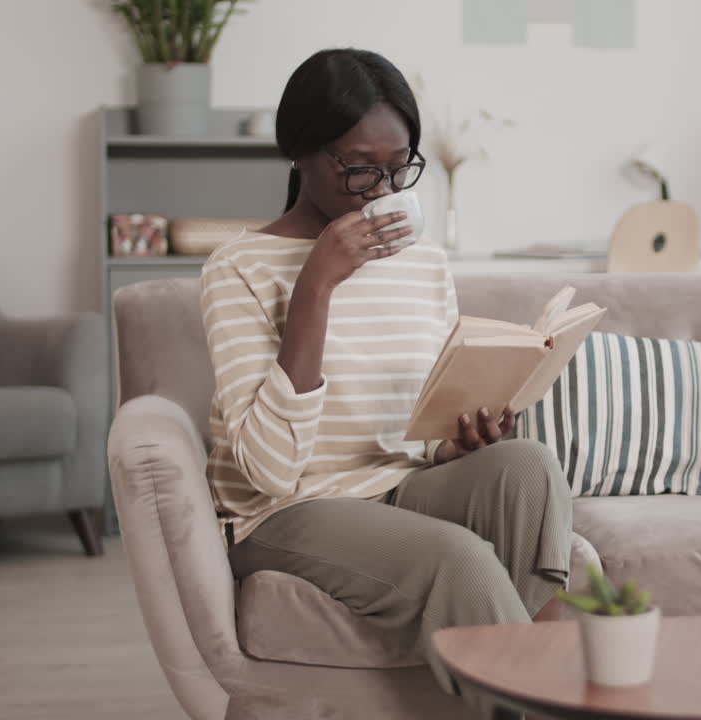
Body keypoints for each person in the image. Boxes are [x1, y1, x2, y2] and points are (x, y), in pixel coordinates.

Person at [198, 47, 572, 709]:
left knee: (528, 466)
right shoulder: (238, 269)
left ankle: (516, 695)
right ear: (299, 152)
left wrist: (455, 444)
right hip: (286, 513)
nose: (381, 191)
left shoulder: (421, 261)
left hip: (399, 489)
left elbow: (416, 433)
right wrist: (314, 287)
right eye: (360, 168)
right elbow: (268, 471)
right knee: (459, 559)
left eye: (400, 170)